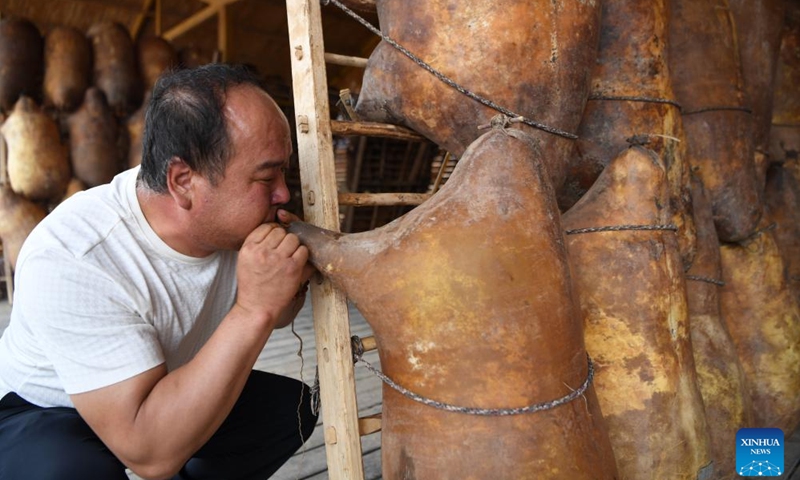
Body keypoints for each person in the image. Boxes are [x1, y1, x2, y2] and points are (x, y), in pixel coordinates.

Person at [0, 63, 318, 479]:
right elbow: (148, 455)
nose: (284, 193)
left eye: (283, 171)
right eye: (265, 177)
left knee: (289, 411)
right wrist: (254, 308)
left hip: (163, 382)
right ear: (183, 181)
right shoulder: (75, 254)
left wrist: (283, 288)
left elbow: (282, 314)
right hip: (46, 412)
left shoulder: (229, 218)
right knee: (71, 470)